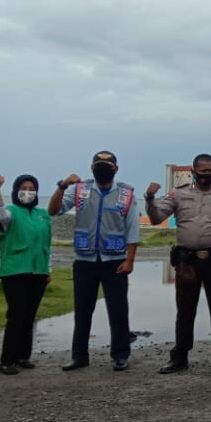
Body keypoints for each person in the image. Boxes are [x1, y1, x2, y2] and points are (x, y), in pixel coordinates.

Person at [145, 154, 211, 373]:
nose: (208, 174)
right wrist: (150, 199)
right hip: (186, 261)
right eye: (203, 170)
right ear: (193, 171)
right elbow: (156, 218)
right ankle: (179, 358)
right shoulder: (178, 194)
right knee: (185, 311)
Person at [49, 151, 139, 372]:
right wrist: (62, 186)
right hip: (85, 260)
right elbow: (54, 210)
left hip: (115, 260)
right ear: (91, 168)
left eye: (108, 166)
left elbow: (133, 230)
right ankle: (79, 356)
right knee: (82, 311)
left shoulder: (126, 194)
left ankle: (120, 355)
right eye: (99, 166)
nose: (103, 169)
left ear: (116, 169)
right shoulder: (79, 190)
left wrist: (130, 260)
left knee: (118, 310)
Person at [0, 175, 52, 375]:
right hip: (15, 271)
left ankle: (23, 356)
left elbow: (47, 243)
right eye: (24, 188)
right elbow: (0, 216)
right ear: (16, 190)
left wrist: (48, 269)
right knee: (17, 314)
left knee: (30, 315)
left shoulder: (43, 215)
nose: (28, 192)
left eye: (32, 188)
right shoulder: (11, 212)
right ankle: (7, 360)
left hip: (38, 271)